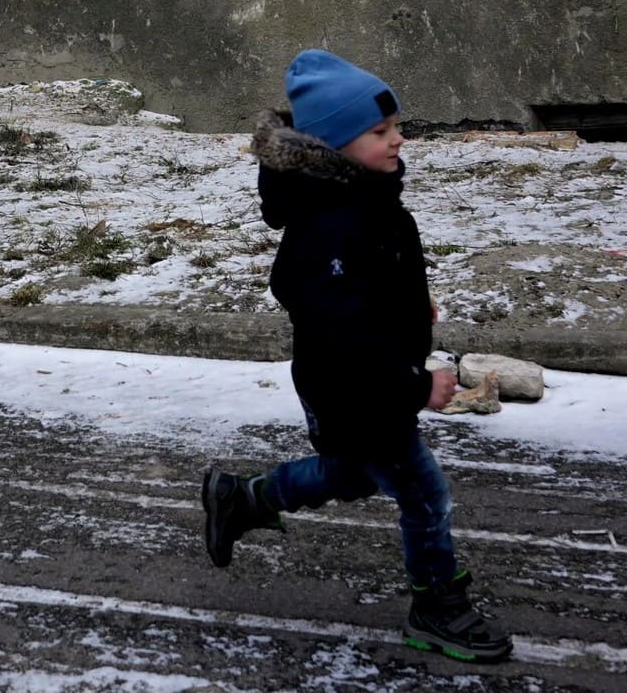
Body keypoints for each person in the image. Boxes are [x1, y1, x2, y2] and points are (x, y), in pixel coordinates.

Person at [200, 48, 512, 663]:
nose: (398, 140)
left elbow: (367, 290)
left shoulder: (362, 200)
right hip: (357, 385)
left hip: (359, 379)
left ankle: (245, 499)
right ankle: (438, 606)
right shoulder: (334, 223)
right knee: (424, 494)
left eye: (396, 126)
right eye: (380, 131)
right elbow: (343, 331)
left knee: (351, 472)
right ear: (336, 144)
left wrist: (411, 310)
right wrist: (415, 388)